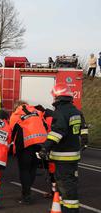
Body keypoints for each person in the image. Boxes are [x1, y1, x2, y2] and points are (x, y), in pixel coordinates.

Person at [38, 83, 88, 213]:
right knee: (70, 184)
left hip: (63, 155)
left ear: (57, 97)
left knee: (66, 187)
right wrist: (84, 142)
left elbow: (57, 133)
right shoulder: (76, 111)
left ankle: (69, 210)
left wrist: (45, 148)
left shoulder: (60, 112)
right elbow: (83, 129)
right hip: (73, 155)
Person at [10, 101, 47, 204]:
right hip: (40, 143)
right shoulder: (37, 112)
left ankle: (26, 195)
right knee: (33, 168)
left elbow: (11, 132)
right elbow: (45, 126)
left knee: (24, 170)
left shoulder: (16, 115)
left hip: (26, 145)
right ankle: (28, 190)